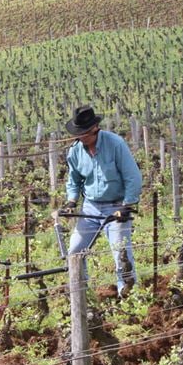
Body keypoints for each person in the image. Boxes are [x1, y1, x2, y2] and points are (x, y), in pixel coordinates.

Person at [59, 104, 143, 294]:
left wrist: (127, 205)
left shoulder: (115, 144)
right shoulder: (75, 151)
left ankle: (127, 293)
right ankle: (80, 292)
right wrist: (71, 201)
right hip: (90, 208)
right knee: (75, 251)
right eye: (77, 134)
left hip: (116, 206)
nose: (78, 138)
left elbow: (133, 176)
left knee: (121, 252)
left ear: (94, 130)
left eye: (82, 134)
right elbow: (74, 180)